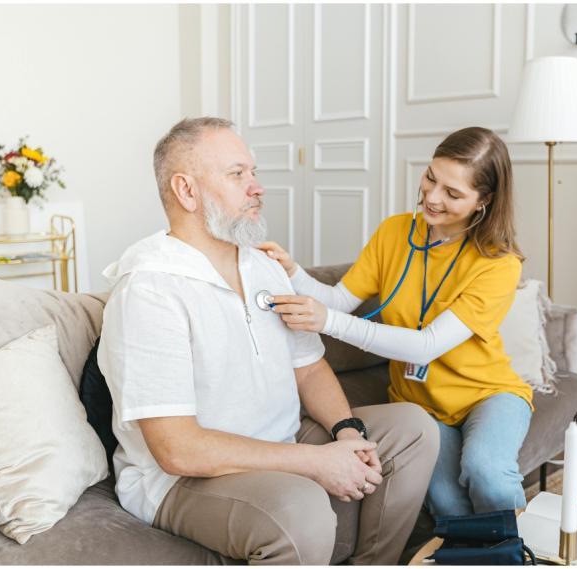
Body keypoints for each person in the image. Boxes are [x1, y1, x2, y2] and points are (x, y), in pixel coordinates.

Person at [97, 117, 439, 565]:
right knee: (300, 510)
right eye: (237, 174)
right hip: (182, 480)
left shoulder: (263, 266)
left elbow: (310, 366)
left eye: (253, 173)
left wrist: (346, 431)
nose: (256, 187)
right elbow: (177, 448)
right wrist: (316, 462)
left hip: (281, 438)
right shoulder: (150, 288)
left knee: (413, 429)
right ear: (187, 191)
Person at [259, 127, 533, 518]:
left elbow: (426, 345)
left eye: (453, 194)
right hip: (418, 405)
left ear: (483, 201)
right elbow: (339, 299)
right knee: (448, 505)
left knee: (487, 473)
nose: (433, 198)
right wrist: (293, 271)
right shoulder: (395, 232)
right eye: (430, 178)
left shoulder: (498, 264)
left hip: (487, 395)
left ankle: (512, 554)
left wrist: (328, 322)